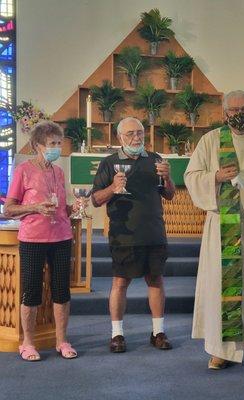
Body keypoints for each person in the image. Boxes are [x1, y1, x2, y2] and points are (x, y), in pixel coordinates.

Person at [184, 90, 244, 369]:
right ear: (224, 112)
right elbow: (191, 177)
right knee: (222, 287)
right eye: (235, 109)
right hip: (223, 228)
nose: (241, 114)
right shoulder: (210, 141)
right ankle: (223, 349)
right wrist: (214, 177)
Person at [91, 117, 175, 353]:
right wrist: (112, 188)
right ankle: (117, 334)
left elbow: (169, 195)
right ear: (119, 138)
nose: (136, 137)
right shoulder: (109, 163)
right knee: (120, 282)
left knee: (156, 280)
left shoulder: (156, 160)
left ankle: (158, 331)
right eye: (130, 134)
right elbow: (96, 199)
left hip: (153, 231)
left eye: (139, 133)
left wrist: (167, 178)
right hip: (123, 234)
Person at [4, 121, 79, 361]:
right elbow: (8, 209)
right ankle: (28, 343)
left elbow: (61, 209)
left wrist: (73, 207)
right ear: (37, 146)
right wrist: (35, 207)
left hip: (61, 237)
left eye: (59, 143)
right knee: (32, 292)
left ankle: (61, 340)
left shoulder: (58, 172)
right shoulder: (24, 170)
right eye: (52, 144)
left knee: (61, 291)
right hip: (33, 239)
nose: (56, 148)